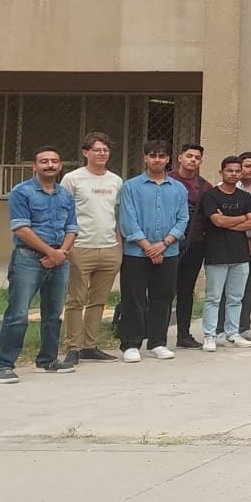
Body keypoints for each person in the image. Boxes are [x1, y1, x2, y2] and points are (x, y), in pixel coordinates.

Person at [0, 144, 79, 383]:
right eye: (44, 161)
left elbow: (72, 227)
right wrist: (51, 252)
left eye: (54, 161)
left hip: (60, 259)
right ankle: (4, 365)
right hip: (28, 259)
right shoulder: (21, 192)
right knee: (18, 313)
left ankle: (48, 360)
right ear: (34, 166)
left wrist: (60, 253)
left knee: (53, 313)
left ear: (60, 166)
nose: (50, 165)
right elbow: (21, 228)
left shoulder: (65, 195)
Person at [116, 139, 191, 362]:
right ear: (145, 158)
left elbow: (183, 219)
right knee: (133, 297)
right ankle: (131, 344)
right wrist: (148, 247)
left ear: (168, 159)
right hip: (136, 253)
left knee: (163, 297)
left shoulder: (178, 188)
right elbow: (127, 220)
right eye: (153, 156)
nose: (157, 160)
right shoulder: (131, 186)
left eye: (162, 156)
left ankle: (157, 342)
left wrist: (164, 244)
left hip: (168, 251)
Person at [60, 131, 123, 363]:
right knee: (75, 301)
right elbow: (63, 213)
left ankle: (90, 345)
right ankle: (73, 348)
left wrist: (119, 247)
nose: (102, 154)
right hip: (80, 247)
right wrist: (66, 246)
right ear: (86, 153)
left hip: (109, 248)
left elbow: (117, 214)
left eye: (105, 150)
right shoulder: (72, 179)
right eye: (97, 150)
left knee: (98, 301)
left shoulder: (116, 181)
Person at [199, 156, 251, 350]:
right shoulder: (211, 195)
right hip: (216, 254)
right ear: (221, 172)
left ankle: (233, 333)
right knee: (213, 298)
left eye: (237, 171)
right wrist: (240, 219)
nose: (233, 174)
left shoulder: (245, 197)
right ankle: (210, 335)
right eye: (229, 170)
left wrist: (228, 222)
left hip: (240, 255)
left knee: (236, 298)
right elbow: (217, 221)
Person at [168, 142, 213, 350]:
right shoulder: (167, 180)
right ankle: (155, 334)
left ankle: (183, 335)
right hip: (165, 243)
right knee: (162, 290)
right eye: (189, 156)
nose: (193, 160)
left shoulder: (204, 186)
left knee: (186, 291)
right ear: (180, 158)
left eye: (197, 157)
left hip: (194, 244)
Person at [229, 151, 251, 339]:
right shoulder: (226, 187)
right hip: (230, 243)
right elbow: (222, 220)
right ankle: (224, 328)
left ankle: (244, 326)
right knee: (228, 289)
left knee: (247, 287)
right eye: (247, 166)